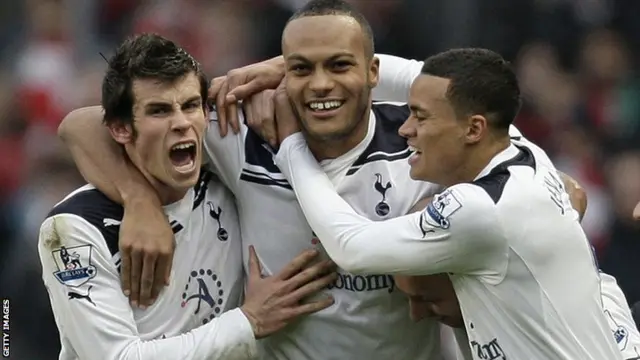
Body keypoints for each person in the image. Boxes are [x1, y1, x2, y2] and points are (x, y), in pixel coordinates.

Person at [58, 1, 449, 359]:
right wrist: (139, 200)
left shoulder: (420, 141)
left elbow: (469, 95)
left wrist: (285, 64)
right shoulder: (240, 134)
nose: (320, 84)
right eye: (301, 68)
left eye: (339, 65)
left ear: (373, 71)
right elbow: (83, 125)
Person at [271, 47, 621, 359]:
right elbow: (425, 77)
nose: (405, 129)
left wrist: (291, 147)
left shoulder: (480, 208)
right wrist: (286, 69)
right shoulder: (525, 152)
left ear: (473, 130)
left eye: (420, 117)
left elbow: (352, 248)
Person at [39, 33, 336, 360]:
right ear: (121, 129)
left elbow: (354, 71)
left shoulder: (223, 171)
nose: (181, 123)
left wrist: (281, 67)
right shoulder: (75, 228)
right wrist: (248, 321)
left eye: (191, 105)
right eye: (159, 111)